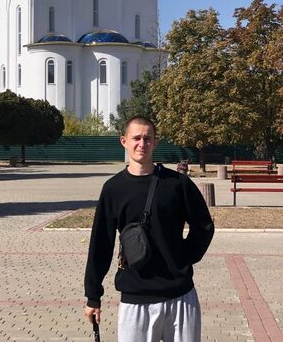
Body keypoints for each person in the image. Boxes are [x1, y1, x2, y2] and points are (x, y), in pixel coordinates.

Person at [84, 115, 214, 342]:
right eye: (136, 138)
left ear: (155, 142)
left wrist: (185, 257)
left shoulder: (177, 184)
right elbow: (100, 244)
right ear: (124, 141)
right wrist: (93, 296)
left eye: (147, 138)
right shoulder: (113, 189)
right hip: (135, 298)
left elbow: (204, 225)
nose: (142, 144)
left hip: (180, 295)